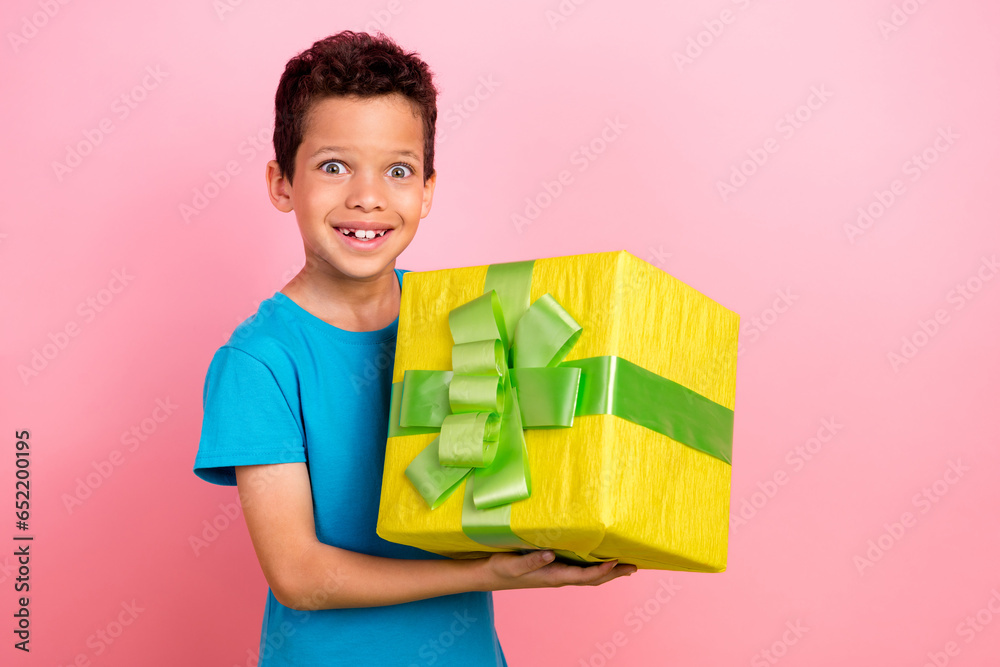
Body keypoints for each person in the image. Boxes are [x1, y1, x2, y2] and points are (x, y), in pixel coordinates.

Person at [192, 30, 636, 666]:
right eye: (333, 166)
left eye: (397, 170)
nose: (367, 196)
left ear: (426, 190)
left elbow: (515, 464)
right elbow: (299, 575)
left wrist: (571, 535)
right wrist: (488, 574)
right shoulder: (259, 363)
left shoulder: (461, 318)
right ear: (282, 182)